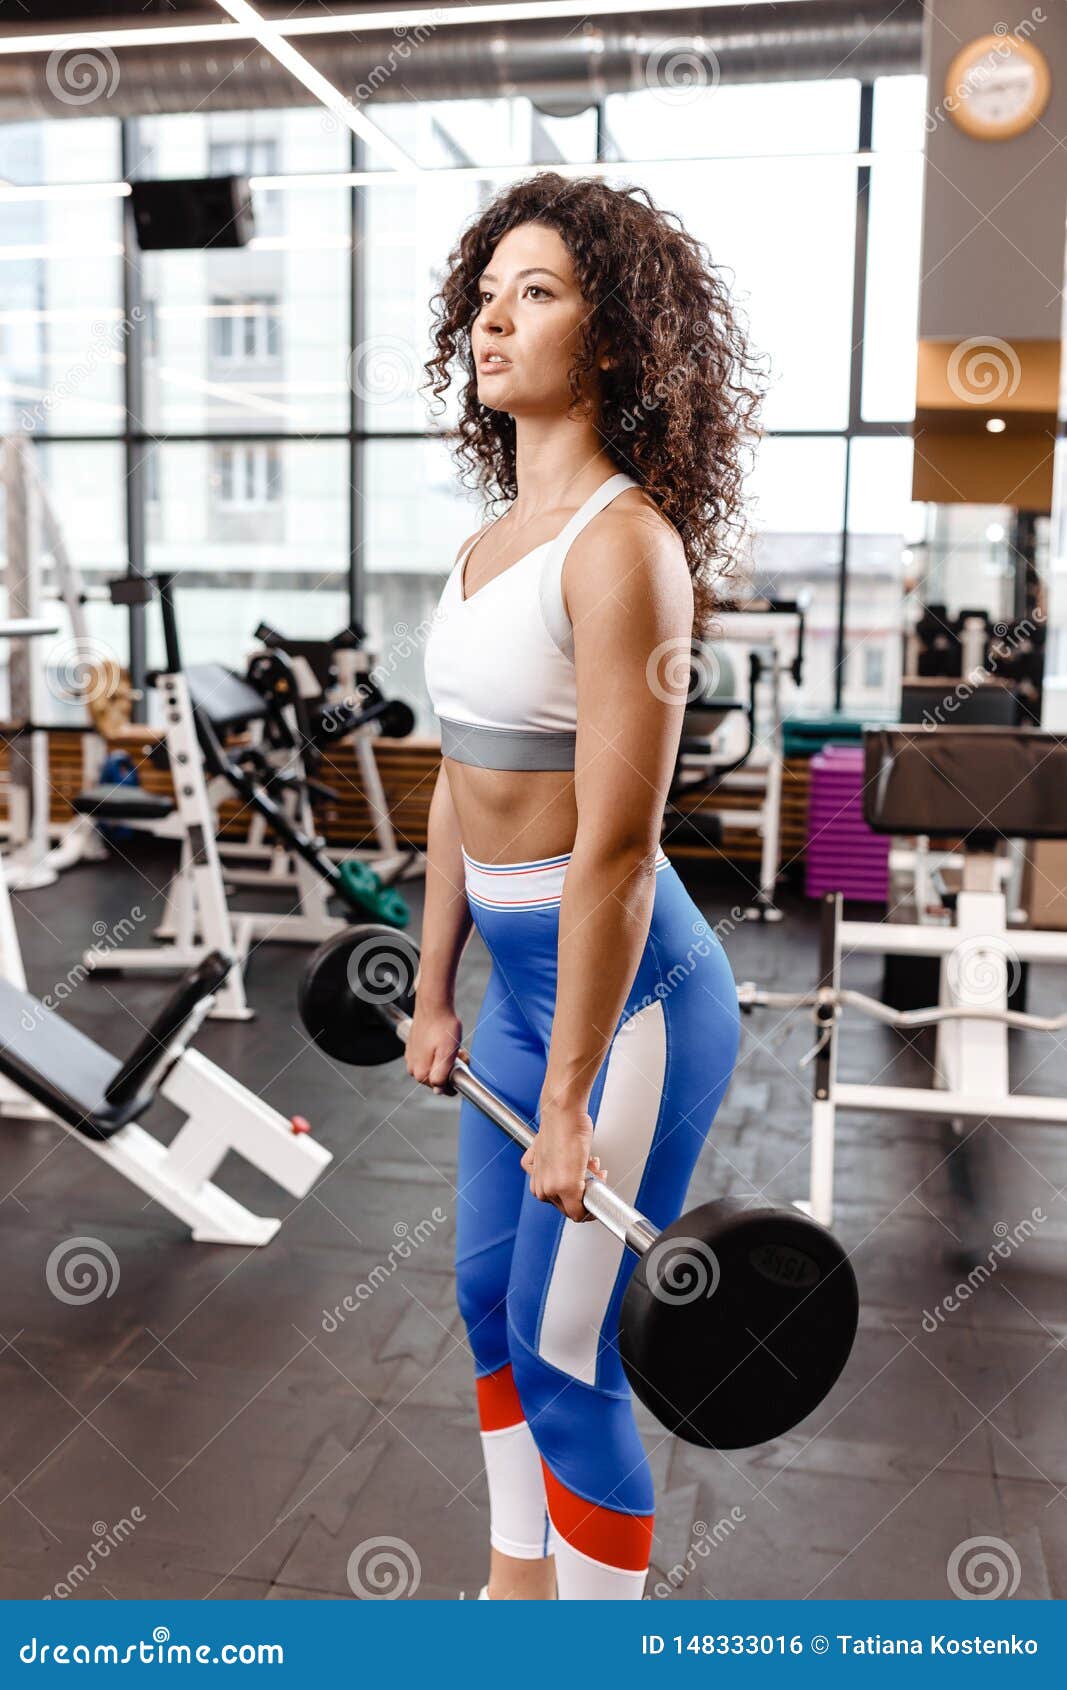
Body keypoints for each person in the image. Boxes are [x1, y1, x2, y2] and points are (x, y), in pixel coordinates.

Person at [409, 172, 765, 1600]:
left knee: (566, 1356)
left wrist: (567, 1097)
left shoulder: (625, 549)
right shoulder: (488, 541)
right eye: (488, 292)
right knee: (485, 1311)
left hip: (633, 1008)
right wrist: (432, 984)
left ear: (611, 337)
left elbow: (615, 852)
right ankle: (515, 1592)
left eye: (538, 292)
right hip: (514, 991)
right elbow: (455, 787)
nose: (497, 318)